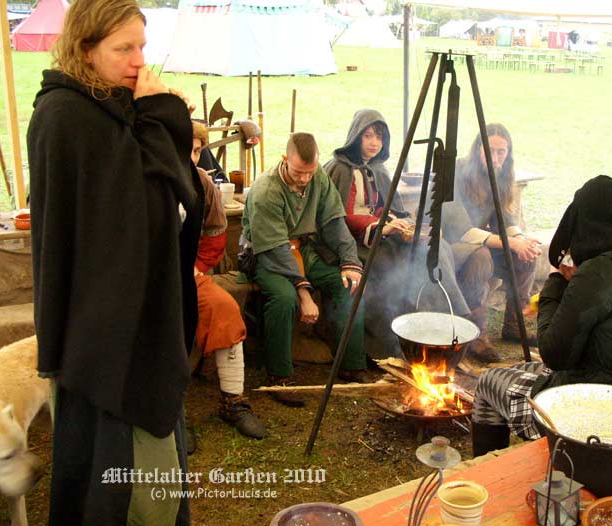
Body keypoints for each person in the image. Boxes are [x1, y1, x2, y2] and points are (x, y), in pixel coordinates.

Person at [28, 1, 198, 526]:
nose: (138, 60)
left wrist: (154, 115)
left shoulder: (108, 109)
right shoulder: (66, 117)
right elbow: (146, 213)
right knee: (125, 484)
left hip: (132, 319)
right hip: (103, 334)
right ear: (86, 49)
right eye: (124, 48)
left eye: (142, 46)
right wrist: (163, 114)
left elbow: (177, 199)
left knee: (144, 473)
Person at [470, 175, 612, 456]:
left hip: (596, 411)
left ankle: (488, 473)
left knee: (489, 383)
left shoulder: (599, 274)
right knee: (520, 372)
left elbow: (554, 354)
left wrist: (556, 282)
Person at [324, 109, 470, 357]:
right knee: (393, 269)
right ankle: (393, 345)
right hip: (357, 242)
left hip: (384, 234)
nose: (373, 143)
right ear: (355, 136)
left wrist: (409, 227)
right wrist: (380, 226)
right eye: (367, 135)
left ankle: (451, 317)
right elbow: (340, 217)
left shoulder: (379, 170)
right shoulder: (339, 168)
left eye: (378, 137)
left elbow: (391, 208)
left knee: (435, 247)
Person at [241, 132, 371, 407]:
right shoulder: (266, 190)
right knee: (284, 298)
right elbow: (276, 250)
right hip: (266, 255)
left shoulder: (318, 177)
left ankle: (351, 364)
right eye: (299, 172)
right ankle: (279, 377)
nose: (304, 179)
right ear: (285, 159)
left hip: (305, 250)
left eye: (309, 173)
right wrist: (304, 293)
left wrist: (351, 262)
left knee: (346, 284)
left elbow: (335, 221)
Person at [190, 121, 266, 440]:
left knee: (226, 310)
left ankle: (232, 401)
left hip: (188, 275)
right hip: (145, 281)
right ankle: (169, 416)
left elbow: (215, 232)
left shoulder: (202, 182)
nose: (191, 158)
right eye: (184, 149)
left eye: (196, 151)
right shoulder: (144, 179)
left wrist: (197, 266)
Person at [442, 124, 542, 363]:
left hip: (479, 243)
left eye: (501, 152)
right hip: (450, 248)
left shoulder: (500, 176)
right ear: (478, 149)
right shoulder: (455, 172)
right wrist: (510, 242)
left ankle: (514, 326)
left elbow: (504, 218)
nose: (496, 157)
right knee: (482, 256)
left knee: (525, 253)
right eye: (490, 151)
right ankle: (476, 334)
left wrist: (520, 239)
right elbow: (462, 231)